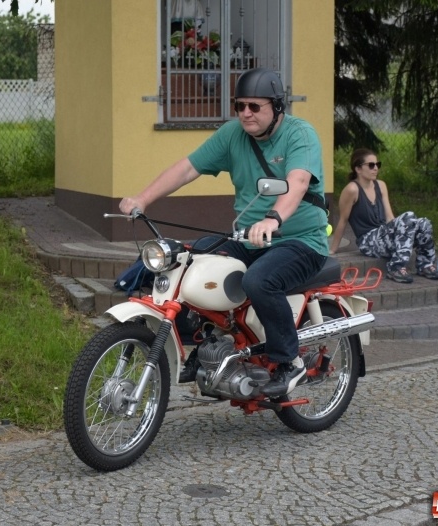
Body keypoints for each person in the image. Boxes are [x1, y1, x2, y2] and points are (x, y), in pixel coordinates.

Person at [119, 68, 329, 398]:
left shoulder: (300, 134)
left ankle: (290, 361)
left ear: (277, 107)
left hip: (300, 240)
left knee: (260, 281)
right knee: (188, 262)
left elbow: (299, 182)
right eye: (240, 105)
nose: (246, 113)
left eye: (255, 107)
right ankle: (205, 344)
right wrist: (142, 198)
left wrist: (273, 219)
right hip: (249, 238)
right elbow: (188, 168)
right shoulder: (232, 135)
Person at [329, 148, 438, 284]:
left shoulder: (381, 185)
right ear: (358, 169)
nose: (375, 168)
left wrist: (403, 231)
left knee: (423, 223)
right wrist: (333, 249)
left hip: (384, 236)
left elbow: (390, 217)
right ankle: (395, 268)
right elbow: (343, 220)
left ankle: (425, 265)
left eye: (378, 165)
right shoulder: (352, 189)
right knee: (410, 215)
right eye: (371, 165)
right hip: (368, 241)